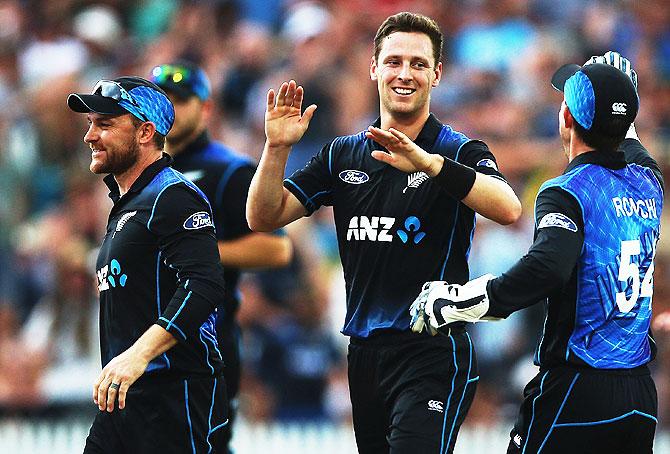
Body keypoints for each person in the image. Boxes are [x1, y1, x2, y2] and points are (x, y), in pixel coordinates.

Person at [246, 12, 522, 453]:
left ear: (436, 74)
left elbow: (509, 207)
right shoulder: (343, 154)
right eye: (394, 61)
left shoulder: (456, 149)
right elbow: (263, 217)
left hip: (432, 349)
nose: (404, 74)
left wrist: (431, 165)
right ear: (374, 68)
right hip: (365, 352)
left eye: (417, 63)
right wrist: (276, 147)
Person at [411, 52, 663, 453]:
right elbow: (628, 141)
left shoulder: (567, 190)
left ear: (566, 119)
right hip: (639, 396)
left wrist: (460, 302)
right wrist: (620, 96)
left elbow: (547, 268)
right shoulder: (649, 181)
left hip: (578, 387)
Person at [67, 76, 228, 453]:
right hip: (124, 397)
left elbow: (204, 285)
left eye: (104, 124)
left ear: (144, 132)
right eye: (90, 124)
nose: (90, 136)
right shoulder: (127, 203)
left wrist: (137, 356)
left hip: (172, 397)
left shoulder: (173, 196)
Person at [149, 61, 293, 452]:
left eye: (181, 100)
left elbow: (277, 248)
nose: (170, 109)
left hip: (205, 340)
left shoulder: (227, 170)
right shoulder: (139, 170)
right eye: (161, 100)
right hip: (142, 339)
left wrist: (194, 251)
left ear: (206, 108)